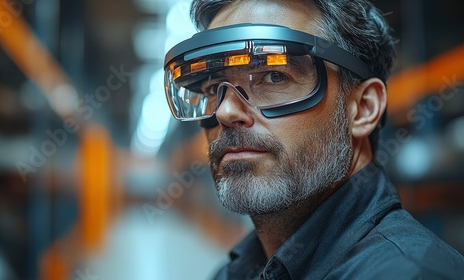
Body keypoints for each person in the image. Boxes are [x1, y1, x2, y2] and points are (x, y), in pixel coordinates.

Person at [163, 0, 464, 279]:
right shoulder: (236, 271)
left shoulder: (409, 273)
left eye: (274, 77)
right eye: (215, 88)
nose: (225, 111)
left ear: (363, 108)